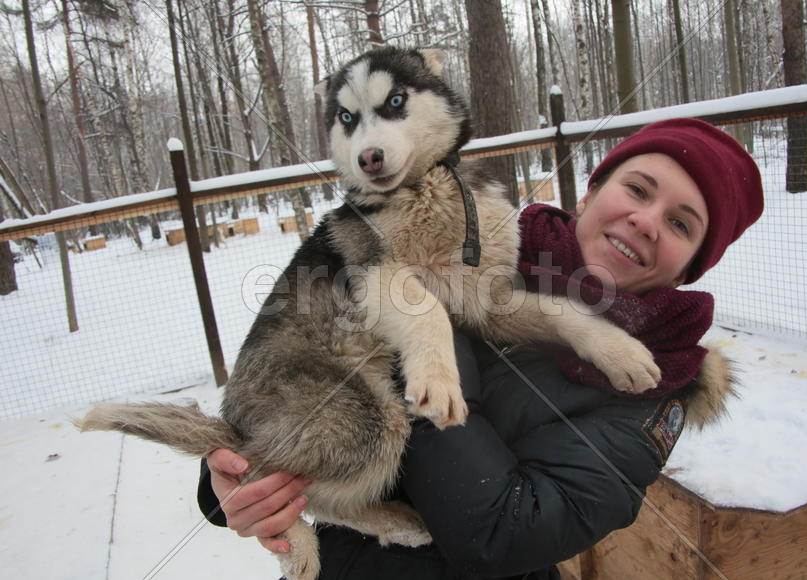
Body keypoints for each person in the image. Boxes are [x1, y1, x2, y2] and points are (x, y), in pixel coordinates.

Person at [196, 118, 764, 579]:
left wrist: (428, 347)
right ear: (592, 190)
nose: (645, 221)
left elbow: (499, 532)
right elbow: (303, 355)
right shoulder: (479, 248)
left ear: (691, 267)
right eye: (637, 189)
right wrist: (236, 478)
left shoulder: (650, 388)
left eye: (681, 224)